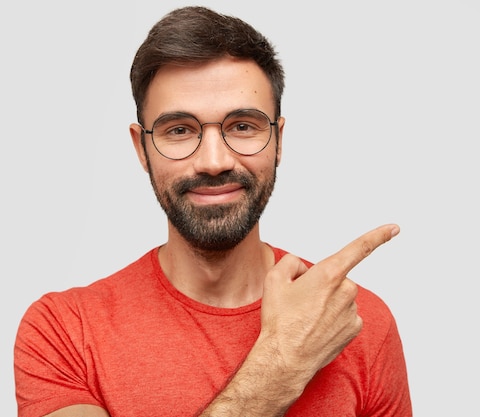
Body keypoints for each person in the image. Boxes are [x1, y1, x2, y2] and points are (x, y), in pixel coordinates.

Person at [14, 6, 412, 417]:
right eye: (179, 130)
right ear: (142, 149)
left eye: (242, 126)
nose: (213, 161)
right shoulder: (63, 331)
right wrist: (281, 364)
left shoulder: (355, 322)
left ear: (278, 141)